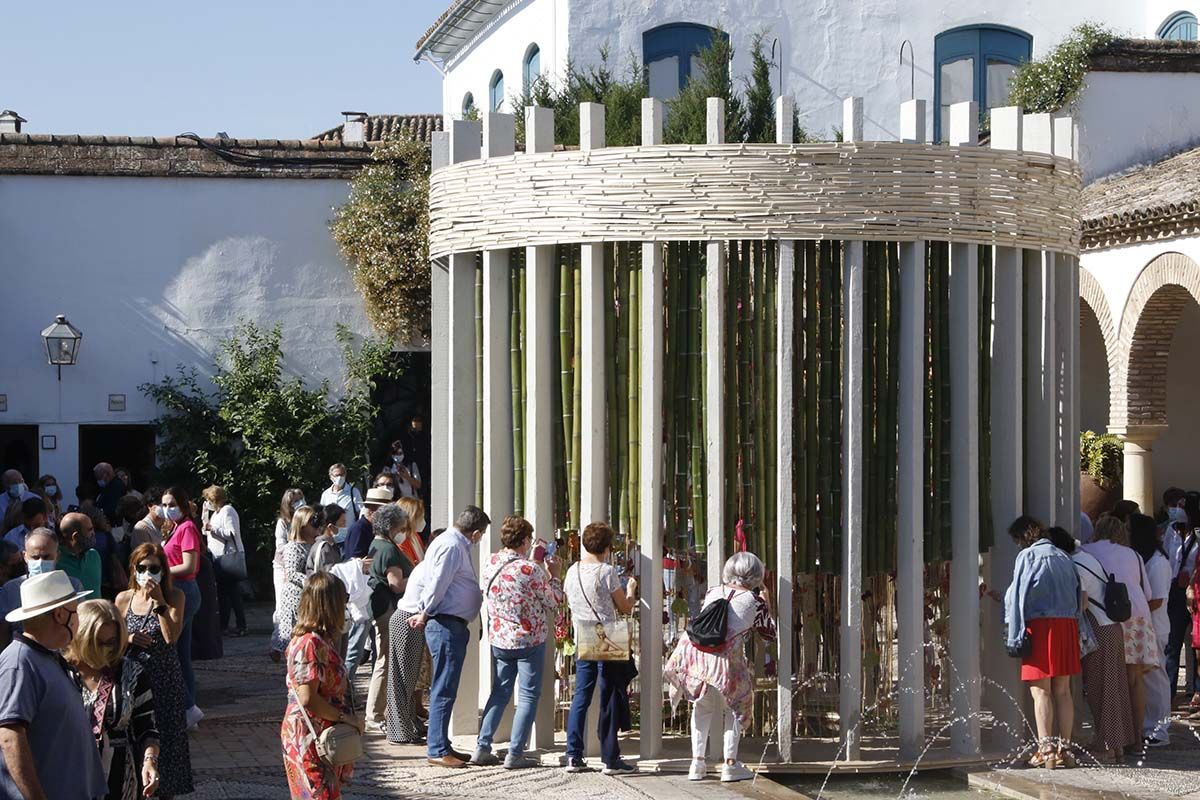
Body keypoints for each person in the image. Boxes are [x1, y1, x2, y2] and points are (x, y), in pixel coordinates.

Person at [664, 552, 777, 783]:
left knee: (702, 707)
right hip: (725, 663)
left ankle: (697, 763)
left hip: (694, 656)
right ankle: (730, 765)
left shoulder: (713, 591)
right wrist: (767, 603)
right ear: (756, 574)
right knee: (736, 707)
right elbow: (769, 634)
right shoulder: (755, 602)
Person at [0, 570, 106, 799]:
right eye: (75, 610)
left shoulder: (47, 657)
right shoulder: (19, 662)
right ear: (60, 615)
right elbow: (10, 737)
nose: (78, 617)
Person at [470, 516, 564, 769]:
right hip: (529, 638)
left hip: (499, 637)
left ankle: (482, 746)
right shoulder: (530, 569)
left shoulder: (490, 562)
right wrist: (554, 574)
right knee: (528, 696)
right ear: (524, 541)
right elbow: (553, 601)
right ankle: (515, 753)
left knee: (499, 692)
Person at [407, 505, 489, 768]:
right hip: (445, 623)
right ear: (475, 532)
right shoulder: (453, 546)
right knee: (443, 688)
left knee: (447, 687)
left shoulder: (451, 543)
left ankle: (441, 742)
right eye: (481, 535)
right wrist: (425, 610)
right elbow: (438, 582)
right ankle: (437, 748)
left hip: (450, 624)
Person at [1003, 516, 1081, 769]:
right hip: (1067, 625)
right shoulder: (1064, 557)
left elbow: (1017, 597)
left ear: (1022, 537)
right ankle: (1066, 750)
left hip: (1040, 626)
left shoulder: (1027, 557)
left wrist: (1013, 633)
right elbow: (1078, 595)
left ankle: (1046, 749)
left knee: (1041, 692)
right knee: (1064, 690)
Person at [116, 543, 193, 799]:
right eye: (142, 567)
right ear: (134, 569)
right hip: (133, 681)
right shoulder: (124, 599)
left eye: (154, 568)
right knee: (136, 737)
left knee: (167, 743)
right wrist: (128, 639)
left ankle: (165, 792)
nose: (148, 572)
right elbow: (114, 638)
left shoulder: (175, 597)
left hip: (164, 680)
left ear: (163, 570)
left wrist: (159, 601)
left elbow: (171, 637)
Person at [563, 521, 639, 775]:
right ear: (607, 547)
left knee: (581, 697)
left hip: (583, 633)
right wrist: (631, 590)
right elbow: (625, 607)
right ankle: (611, 758)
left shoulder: (572, 571)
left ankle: (573, 755)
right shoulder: (606, 572)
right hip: (607, 634)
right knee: (609, 696)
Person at [66, 599, 161, 800]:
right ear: (81, 638)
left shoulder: (131, 672)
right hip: (70, 774)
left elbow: (147, 727)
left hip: (118, 778)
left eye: (112, 642)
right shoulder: (62, 673)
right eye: (98, 643)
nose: (106, 650)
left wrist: (149, 760)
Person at [281, 571, 360, 799]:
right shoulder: (310, 643)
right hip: (309, 736)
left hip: (321, 734)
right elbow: (308, 697)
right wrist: (346, 718)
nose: (345, 606)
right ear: (329, 603)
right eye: (343, 599)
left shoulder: (320, 639)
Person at [1083, 514, 1157, 752]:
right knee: (1134, 680)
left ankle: (1111, 737)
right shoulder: (1134, 555)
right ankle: (1136, 737)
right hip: (1137, 617)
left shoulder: (1087, 551)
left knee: (1112, 680)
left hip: (1106, 619)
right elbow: (1147, 594)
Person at [1065, 530, 1138, 763]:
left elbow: (1083, 602)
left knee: (1100, 688)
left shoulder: (1074, 564)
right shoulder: (1088, 558)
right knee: (1116, 687)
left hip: (1100, 630)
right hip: (1113, 627)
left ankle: (1106, 745)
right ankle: (1116, 745)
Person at [365, 504, 412, 733]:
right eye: (401, 525)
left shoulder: (377, 544)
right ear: (393, 526)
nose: (404, 529)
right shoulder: (389, 550)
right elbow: (395, 584)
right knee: (384, 661)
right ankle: (374, 714)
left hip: (378, 606)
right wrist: (418, 578)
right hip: (387, 609)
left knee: (383, 659)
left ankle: (377, 711)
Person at [160, 487, 204, 728]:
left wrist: (160, 571)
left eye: (172, 504)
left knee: (168, 650)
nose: (167, 509)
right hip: (178, 591)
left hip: (184, 592)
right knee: (181, 655)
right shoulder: (175, 528)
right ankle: (188, 711)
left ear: (183, 505)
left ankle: (187, 707)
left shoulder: (186, 528)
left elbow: (189, 565)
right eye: (164, 504)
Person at [341, 487, 394, 683]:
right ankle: (344, 688)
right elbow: (353, 561)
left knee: (375, 647)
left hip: (372, 594)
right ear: (373, 510)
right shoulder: (360, 529)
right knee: (356, 646)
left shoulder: (372, 529)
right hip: (360, 595)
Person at [0, 529, 85, 648]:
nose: (40, 562)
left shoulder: (73, 587)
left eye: (46, 557)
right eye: (35, 557)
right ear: (25, 556)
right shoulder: (10, 590)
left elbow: (81, 628)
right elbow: (3, 634)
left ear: (57, 556)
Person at [1130, 514, 1173, 746]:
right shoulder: (1144, 559)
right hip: (1143, 625)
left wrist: (1132, 608)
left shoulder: (1158, 562)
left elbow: (1156, 600)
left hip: (1154, 627)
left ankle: (1159, 729)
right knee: (1145, 679)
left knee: (1156, 679)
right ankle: (1148, 725)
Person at [386, 558, 432, 745]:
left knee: (407, 681)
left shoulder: (427, 566)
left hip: (406, 620)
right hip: (408, 621)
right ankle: (400, 733)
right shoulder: (430, 567)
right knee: (402, 681)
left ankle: (407, 727)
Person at [272, 506, 319, 655]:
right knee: (295, 640)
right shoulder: (292, 547)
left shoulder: (315, 545)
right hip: (295, 599)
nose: (316, 526)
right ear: (303, 525)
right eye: (312, 522)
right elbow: (292, 574)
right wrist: (314, 583)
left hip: (309, 597)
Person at [201, 485, 247, 638]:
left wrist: (213, 529)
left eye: (208, 499)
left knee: (232, 593)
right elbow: (205, 531)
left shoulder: (228, 510)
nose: (207, 502)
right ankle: (225, 625)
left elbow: (232, 533)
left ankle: (239, 625)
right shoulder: (216, 513)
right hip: (218, 557)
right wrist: (205, 517)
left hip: (228, 557)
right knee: (225, 593)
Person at [1167, 506, 1198, 701]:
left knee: (1196, 644)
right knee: (1173, 643)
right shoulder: (1171, 532)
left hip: (1194, 590)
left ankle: (1196, 690)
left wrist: (1191, 577)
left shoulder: (1198, 536)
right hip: (1175, 592)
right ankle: (1169, 692)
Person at [274, 489, 306, 631]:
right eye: (295, 501)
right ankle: (278, 638)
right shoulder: (283, 522)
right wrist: (294, 545)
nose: (298, 503)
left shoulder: (306, 520)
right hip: (283, 565)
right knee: (281, 604)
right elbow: (280, 545)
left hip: (302, 564)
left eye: (300, 499)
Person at [60, 511, 104, 599]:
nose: (93, 534)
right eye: (90, 530)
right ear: (75, 536)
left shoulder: (94, 555)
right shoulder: (56, 560)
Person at [308, 504, 347, 574]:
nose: (345, 526)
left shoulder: (331, 544)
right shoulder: (324, 548)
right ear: (331, 527)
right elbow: (330, 574)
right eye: (342, 523)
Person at [93, 463, 127, 528]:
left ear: (106, 474)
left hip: (113, 526)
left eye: (99, 478)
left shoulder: (117, 486)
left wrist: (99, 512)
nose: (98, 481)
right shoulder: (108, 486)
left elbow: (113, 508)